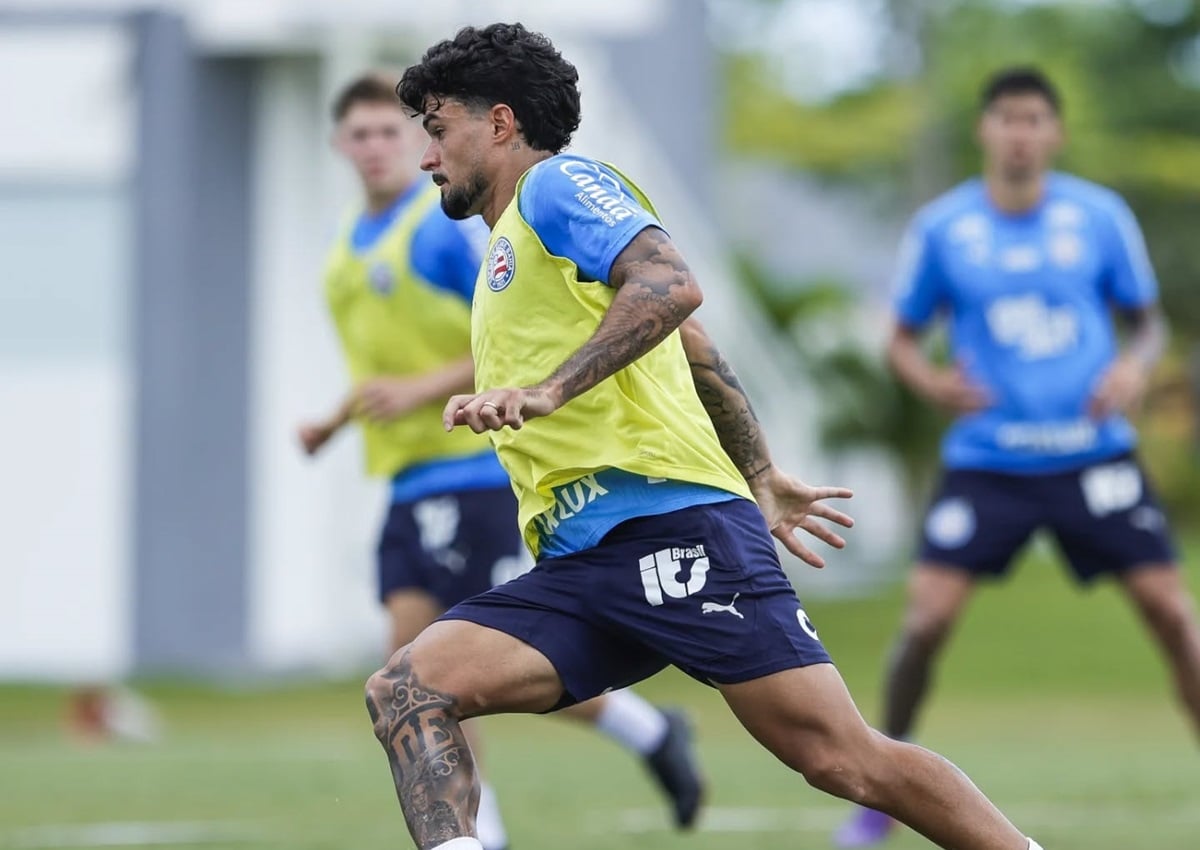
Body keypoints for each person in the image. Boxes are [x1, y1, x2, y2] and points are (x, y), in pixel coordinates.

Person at [364, 24, 1045, 850]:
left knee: (842, 759)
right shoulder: (512, 245)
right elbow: (697, 348)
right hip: (582, 561)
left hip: (667, 532)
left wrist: (548, 391)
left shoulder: (557, 187)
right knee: (408, 688)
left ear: (500, 123)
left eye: (437, 130)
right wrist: (760, 469)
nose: (426, 156)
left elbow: (672, 286)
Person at [299, 72, 706, 849]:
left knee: (466, 665)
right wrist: (331, 423)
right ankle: (537, 802)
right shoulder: (344, 254)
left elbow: (499, 341)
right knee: (414, 671)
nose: (384, 148)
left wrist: (427, 389)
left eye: (395, 131)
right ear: (340, 146)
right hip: (404, 478)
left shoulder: (442, 230)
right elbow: (378, 371)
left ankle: (634, 740)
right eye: (364, 135)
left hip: (471, 472)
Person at [834, 66, 1200, 848]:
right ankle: (877, 798)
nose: (1021, 134)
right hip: (989, 460)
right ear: (985, 130)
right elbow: (900, 336)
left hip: (1093, 456)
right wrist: (932, 380)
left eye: (1035, 120)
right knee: (925, 625)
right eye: (1007, 119)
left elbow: (1148, 324)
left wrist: (1135, 367)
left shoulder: (1100, 217)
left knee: (1174, 615)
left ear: (1055, 133)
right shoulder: (944, 227)